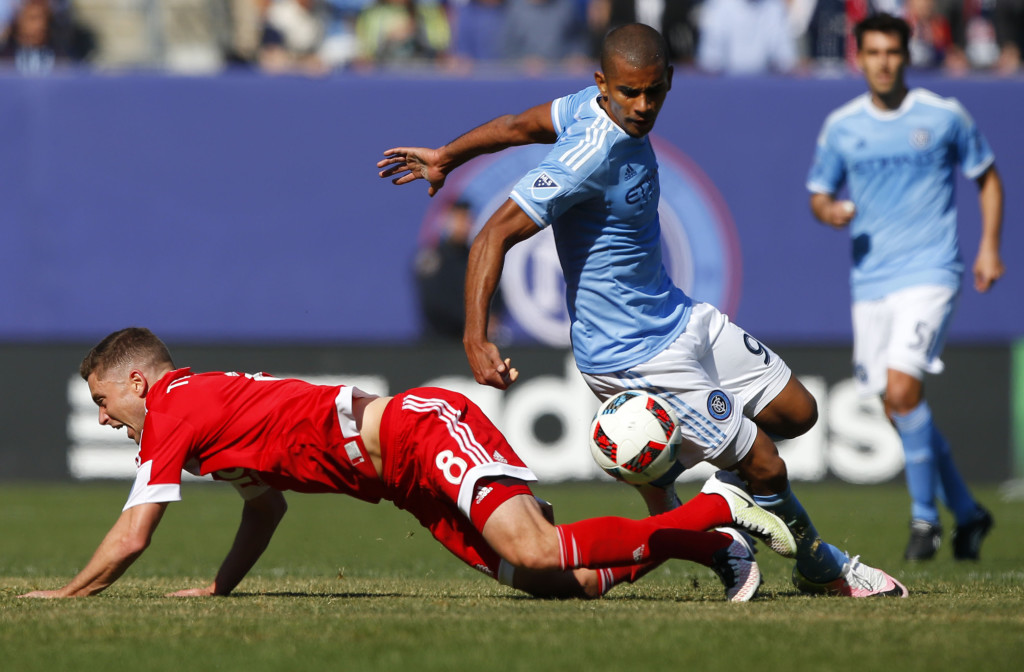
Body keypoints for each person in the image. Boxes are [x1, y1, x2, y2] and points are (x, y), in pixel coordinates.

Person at [378, 23, 906, 597]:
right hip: (631, 353)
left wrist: (446, 156)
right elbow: (491, 235)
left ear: (669, 81)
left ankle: (713, 517)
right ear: (603, 84)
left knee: (799, 412)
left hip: (678, 316)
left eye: (653, 91)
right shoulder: (589, 151)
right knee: (766, 465)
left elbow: (514, 126)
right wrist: (475, 339)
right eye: (629, 92)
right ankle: (821, 568)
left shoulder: (587, 105)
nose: (642, 105)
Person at [18, 327, 804, 602]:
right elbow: (267, 508)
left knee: (533, 548)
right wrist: (221, 586)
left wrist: (63, 596)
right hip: (404, 483)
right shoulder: (201, 417)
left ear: (137, 382)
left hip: (421, 433)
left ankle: (716, 509)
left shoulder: (176, 409)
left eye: (103, 399)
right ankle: (705, 544)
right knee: (549, 581)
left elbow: (132, 536)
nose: (101, 416)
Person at [806, 13, 1002, 561]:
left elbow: (986, 176)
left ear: (906, 56)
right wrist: (831, 211)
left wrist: (988, 247)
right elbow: (818, 193)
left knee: (900, 391)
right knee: (897, 406)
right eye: (873, 53)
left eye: (893, 52)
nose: (884, 62)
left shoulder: (942, 117)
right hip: (872, 282)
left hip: (932, 272)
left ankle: (924, 523)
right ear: (859, 57)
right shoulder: (842, 125)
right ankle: (968, 512)